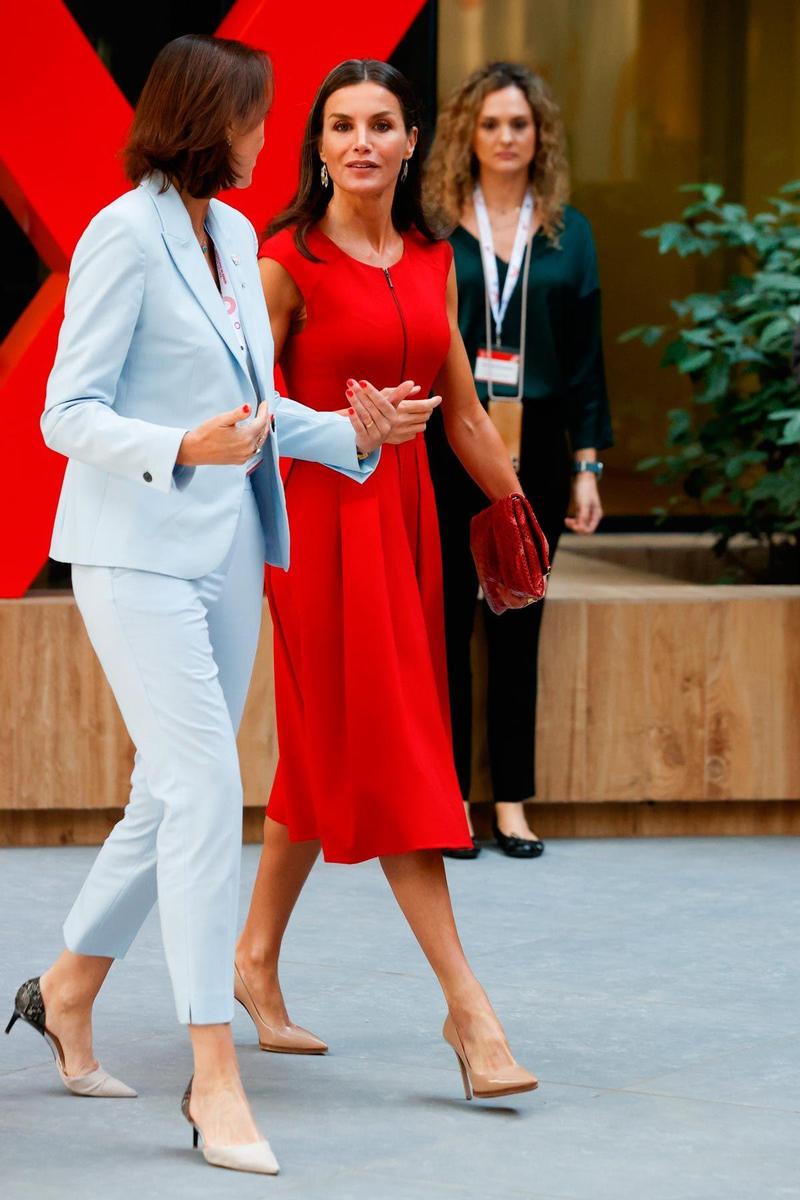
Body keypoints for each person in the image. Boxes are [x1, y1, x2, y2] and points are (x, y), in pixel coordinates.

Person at [7, 35, 400, 1177]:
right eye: (256, 116)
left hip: (230, 548)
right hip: (135, 555)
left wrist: (352, 436)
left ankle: (67, 990)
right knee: (208, 791)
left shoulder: (232, 234)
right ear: (207, 117)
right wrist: (176, 443)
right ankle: (212, 1074)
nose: (266, 136)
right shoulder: (118, 235)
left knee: (167, 792)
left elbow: (256, 403)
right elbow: (64, 409)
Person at [233, 58, 539, 1102]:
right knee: (401, 751)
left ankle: (254, 963)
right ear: (315, 147)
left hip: (405, 524)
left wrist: (510, 510)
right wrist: (333, 433)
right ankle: (470, 1015)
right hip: (315, 536)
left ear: (412, 144)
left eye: (380, 124)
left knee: (326, 753)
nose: (360, 141)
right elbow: (246, 417)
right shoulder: (283, 264)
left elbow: (456, 410)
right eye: (339, 125)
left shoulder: (430, 259)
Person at [423, 62, 613, 860]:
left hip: (534, 450)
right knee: (445, 624)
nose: (506, 137)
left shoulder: (568, 233)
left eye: (520, 125)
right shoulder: (434, 226)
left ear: (540, 137)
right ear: (470, 133)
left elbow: (586, 362)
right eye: (492, 123)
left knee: (517, 625)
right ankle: (449, 805)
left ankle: (510, 803)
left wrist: (588, 465)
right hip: (448, 445)